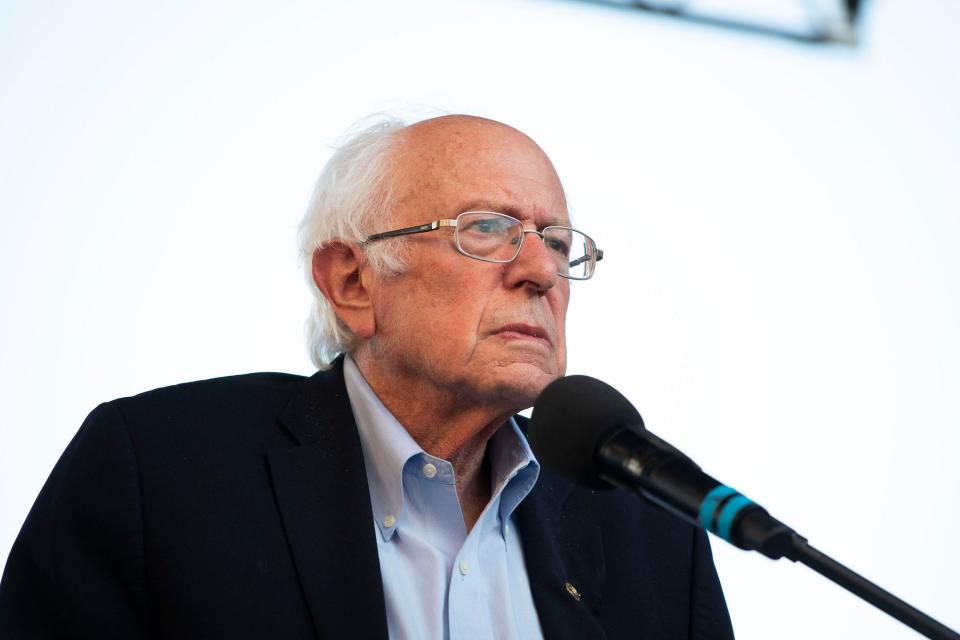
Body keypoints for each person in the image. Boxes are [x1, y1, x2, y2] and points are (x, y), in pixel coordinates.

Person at [0, 114, 735, 639]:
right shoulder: (158, 471)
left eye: (555, 240)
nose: (542, 270)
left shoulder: (651, 527)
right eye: (486, 229)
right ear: (352, 282)